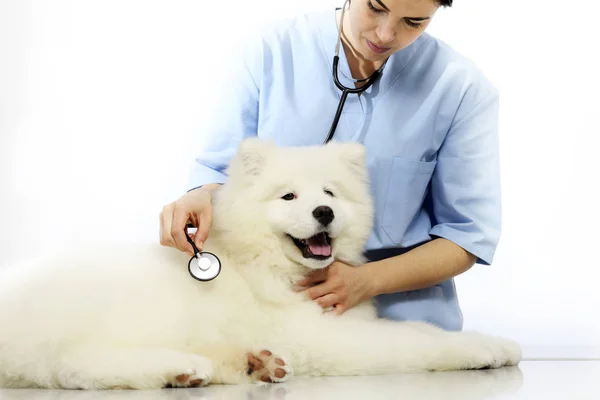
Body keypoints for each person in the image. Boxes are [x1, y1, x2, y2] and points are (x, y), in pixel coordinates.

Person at [159, 0, 501, 332]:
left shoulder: (460, 87)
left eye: (414, 22)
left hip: (404, 319)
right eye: (375, 7)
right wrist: (200, 196)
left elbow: (467, 235)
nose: (384, 34)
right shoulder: (272, 51)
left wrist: (367, 281)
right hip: (275, 310)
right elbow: (221, 173)